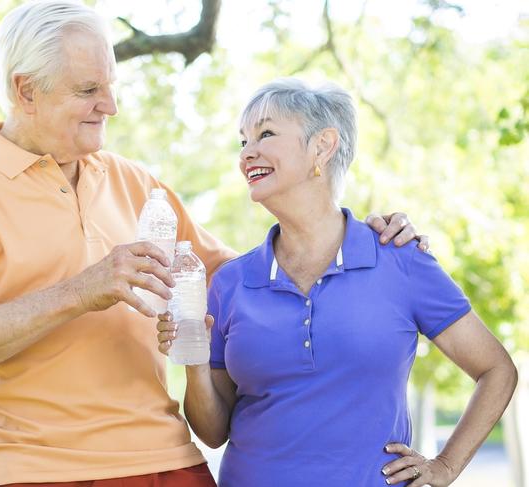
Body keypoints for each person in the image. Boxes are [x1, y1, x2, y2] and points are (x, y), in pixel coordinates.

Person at [0, 2, 424, 486]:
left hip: (167, 457)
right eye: (88, 90)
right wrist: (83, 290)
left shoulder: (135, 182)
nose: (109, 105)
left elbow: (241, 275)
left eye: (110, 85)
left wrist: (355, 238)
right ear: (26, 92)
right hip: (38, 463)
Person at [157, 78, 518, 487]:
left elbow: (496, 369)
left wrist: (446, 466)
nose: (246, 153)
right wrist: (195, 359)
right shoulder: (231, 283)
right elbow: (213, 430)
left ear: (323, 146)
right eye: (242, 142)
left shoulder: (399, 260)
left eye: (266, 134)